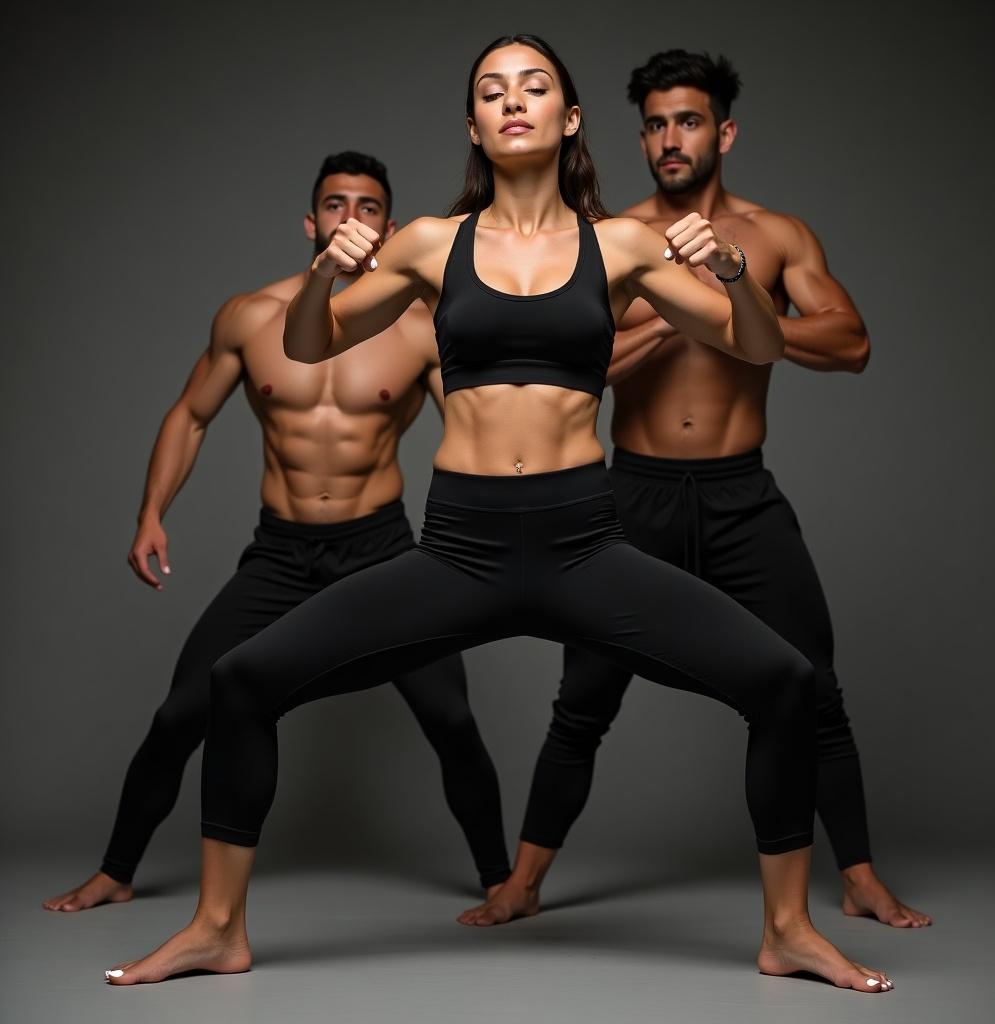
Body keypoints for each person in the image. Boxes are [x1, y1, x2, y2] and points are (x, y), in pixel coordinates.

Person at [104, 35, 891, 993]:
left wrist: (730, 272)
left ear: (568, 119)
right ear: (474, 125)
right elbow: (309, 345)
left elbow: (758, 343)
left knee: (784, 682)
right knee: (239, 681)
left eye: (534, 86)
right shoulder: (432, 243)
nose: (512, 100)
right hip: (461, 547)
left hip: (583, 543)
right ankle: (217, 927)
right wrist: (324, 275)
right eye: (490, 90)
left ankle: (788, 930)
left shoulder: (625, 245)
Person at [459, 49, 930, 932]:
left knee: (811, 686)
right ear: (638, 137)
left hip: (740, 496)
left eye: (689, 121)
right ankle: (523, 882)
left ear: (724, 131)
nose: (671, 139)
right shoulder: (610, 236)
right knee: (584, 700)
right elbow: (573, 370)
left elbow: (852, 342)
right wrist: (687, 318)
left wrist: (735, 298)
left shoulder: (775, 235)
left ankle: (860, 875)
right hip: (630, 496)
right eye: (656, 124)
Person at [45, 151, 512, 915]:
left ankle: (501, 882)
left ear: (389, 229)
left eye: (367, 208)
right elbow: (191, 415)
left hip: (383, 551)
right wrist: (151, 511)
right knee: (182, 712)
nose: (350, 220)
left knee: (451, 718)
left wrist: (495, 542)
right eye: (335, 205)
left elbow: (482, 431)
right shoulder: (250, 317)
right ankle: (115, 870)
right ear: (311, 221)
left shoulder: (421, 326)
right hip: (281, 554)